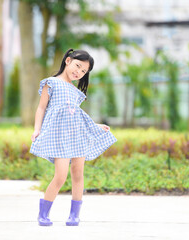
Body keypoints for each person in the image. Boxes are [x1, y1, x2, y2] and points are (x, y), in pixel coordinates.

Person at [30, 48, 117, 226]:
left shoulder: (75, 91)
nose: (79, 72)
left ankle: (74, 215)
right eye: (78, 66)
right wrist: (36, 129)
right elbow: (41, 108)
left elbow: (77, 115)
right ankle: (43, 213)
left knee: (78, 174)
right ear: (68, 61)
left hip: (77, 136)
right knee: (60, 176)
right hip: (59, 138)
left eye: (84, 71)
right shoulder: (51, 83)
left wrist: (95, 126)